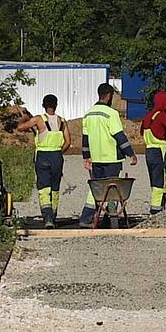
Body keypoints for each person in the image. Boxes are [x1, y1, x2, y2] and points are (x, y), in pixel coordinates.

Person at [79, 82, 137, 226]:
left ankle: (86, 218)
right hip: (111, 158)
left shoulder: (88, 114)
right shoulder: (111, 114)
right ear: (109, 95)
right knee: (112, 190)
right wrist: (130, 153)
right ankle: (111, 220)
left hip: (96, 159)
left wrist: (86, 157)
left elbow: (85, 139)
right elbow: (119, 136)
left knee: (97, 189)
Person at [17, 94, 70, 228]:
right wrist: (58, 152)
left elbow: (20, 128)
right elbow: (68, 142)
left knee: (44, 188)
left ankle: (47, 218)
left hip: (42, 156)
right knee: (55, 188)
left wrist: (23, 118)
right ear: (56, 105)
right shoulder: (62, 121)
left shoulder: (38, 120)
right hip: (57, 156)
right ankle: (54, 216)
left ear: (43, 105)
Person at [140, 90, 166, 214]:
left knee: (155, 182)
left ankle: (155, 208)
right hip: (161, 151)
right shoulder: (162, 116)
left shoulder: (147, 116)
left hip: (149, 151)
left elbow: (141, 132)